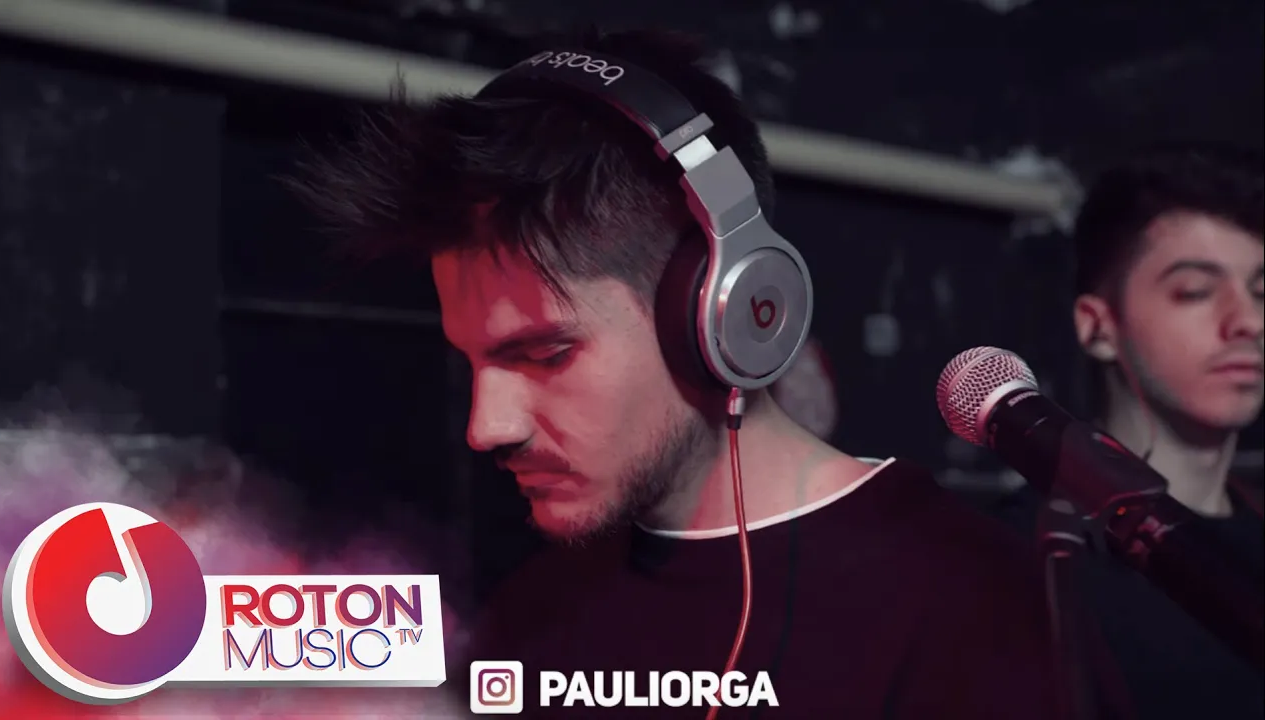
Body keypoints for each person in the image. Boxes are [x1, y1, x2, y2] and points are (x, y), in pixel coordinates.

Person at [293, 29, 1085, 719]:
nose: (486, 426)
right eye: (470, 361)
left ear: (724, 310)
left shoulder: (973, 604)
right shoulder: (526, 619)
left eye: (544, 354)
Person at [995, 143, 1264, 720]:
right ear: (1098, 327)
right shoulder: (1017, 557)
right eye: (1195, 291)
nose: (1248, 321)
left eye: (1262, 292)